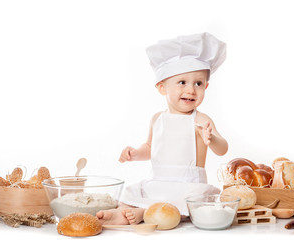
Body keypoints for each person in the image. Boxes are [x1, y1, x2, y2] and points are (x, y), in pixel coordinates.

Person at [97, 32, 228, 225]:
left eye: (198, 83)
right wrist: (134, 153)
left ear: (206, 86)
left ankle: (145, 213)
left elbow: (223, 148)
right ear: (162, 87)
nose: (191, 90)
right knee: (132, 193)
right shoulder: (157, 119)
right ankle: (122, 213)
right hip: (158, 182)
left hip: (188, 186)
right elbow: (150, 148)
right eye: (182, 82)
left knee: (186, 206)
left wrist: (212, 139)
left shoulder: (200, 119)